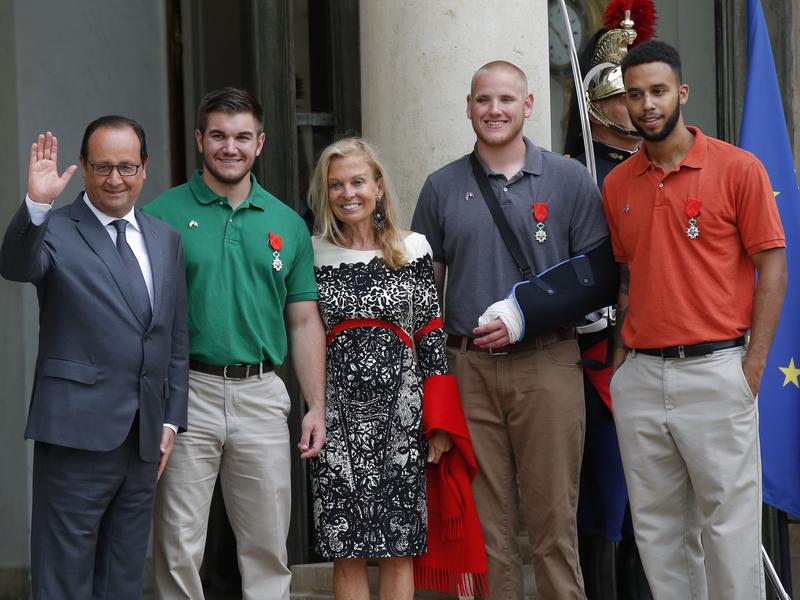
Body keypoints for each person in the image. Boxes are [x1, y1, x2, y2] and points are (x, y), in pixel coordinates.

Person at [412, 60, 610, 600]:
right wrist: (431, 379)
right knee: (486, 527)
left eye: (506, 100)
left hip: (548, 363)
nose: (494, 110)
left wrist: (527, 316)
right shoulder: (441, 187)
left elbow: (598, 278)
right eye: (483, 100)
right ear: (469, 106)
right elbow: (425, 292)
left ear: (528, 105)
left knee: (553, 522)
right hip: (468, 368)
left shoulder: (569, 179)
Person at [603, 40, 787, 600]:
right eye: (636, 95)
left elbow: (773, 268)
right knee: (659, 535)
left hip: (717, 371)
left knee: (730, 532)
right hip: (641, 376)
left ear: (681, 93)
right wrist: (620, 366)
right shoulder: (617, 184)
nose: (647, 105)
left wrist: (751, 368)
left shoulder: (739, 168)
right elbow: (627, 279)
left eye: (658, 91)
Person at [145, 87, 326, 600]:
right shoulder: (161, 216)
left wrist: (316, 405)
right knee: (179, 546)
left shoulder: (287, 223)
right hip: (186, 395)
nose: (231, 147)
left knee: (267, 545)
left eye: (243, 137)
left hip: (261, 393)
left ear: (260, 143)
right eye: (219, 136)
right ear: (200, 139)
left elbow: (303, 321)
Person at [0, 119, 189, 599]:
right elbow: (15, 265)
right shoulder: (56, 229)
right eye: (103, 167)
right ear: (83, 166)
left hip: (144, 438)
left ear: (145, 168)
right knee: (63, 577)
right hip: (75, 433)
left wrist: (170, 420)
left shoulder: (165, 238)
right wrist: (37, 205)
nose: (115, 179)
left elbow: (174, 336)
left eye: (127, 167)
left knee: (122, 580)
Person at [307, 137, 485, 600]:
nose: (348, 193)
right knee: (345, 549)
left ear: (379, 186)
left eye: (358, 182)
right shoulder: (312, 253)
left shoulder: (413, 248)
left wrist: (439, 423)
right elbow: (305, 334)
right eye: (336, 185)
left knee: (398, 548)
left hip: (403, 420)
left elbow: (431, 336)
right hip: (336, 421)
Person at [563, 6, 655, 599]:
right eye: (626, 96)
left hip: (661, 348)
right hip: (598, 355)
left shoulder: (658, 169)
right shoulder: (574, 175)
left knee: (656, 501)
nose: (639, 106)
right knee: (607, 499)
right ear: (597, 103)